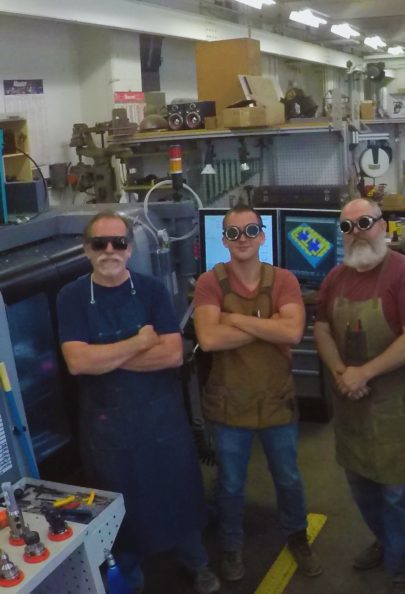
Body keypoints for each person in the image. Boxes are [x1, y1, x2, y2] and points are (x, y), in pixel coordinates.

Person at [57, 211, 220, 594]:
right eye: (100, 243)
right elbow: (78, 362)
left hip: (162, 418)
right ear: (86, 250)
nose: (110, 250)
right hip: (107, 427)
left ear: (130, 249)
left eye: (119, 243)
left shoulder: (150, 291)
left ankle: (196, 562)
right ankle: (129, 573)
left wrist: (106, 357)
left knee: (179, 489)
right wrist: (137, 343)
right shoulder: (72, 297)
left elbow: (171, 356)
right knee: (118, 502)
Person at [313, 198, 405, 594]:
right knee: (361, 484)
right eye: (347, 227)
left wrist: (363, 372)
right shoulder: (335, 277)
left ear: (384, 226)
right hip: (350, 405)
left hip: (393, 407)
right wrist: (340, 372)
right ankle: (385, 543)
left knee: (398, 494)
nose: (356, 233)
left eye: (364, 222)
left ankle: (402, 569)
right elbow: (322, 330)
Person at [192, 204, 321, 582]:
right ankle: (231, 547)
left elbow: (293, 333)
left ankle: (298, 537)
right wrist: (268, 324)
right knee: (231, 483)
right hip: (228, 403)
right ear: (224, 239)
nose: (242, 239)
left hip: (276, 399)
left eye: (250, 231)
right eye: (234, 233)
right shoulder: (209, 282)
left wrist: (234, 318)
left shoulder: (283, 279)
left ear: (263, 235)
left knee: (288, 478)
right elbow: (209, 338)